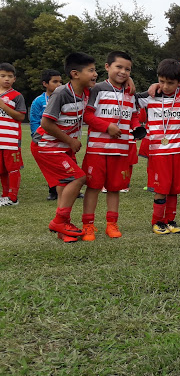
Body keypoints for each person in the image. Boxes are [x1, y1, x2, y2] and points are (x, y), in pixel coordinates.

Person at [31, 53, 98, 242]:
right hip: (46, 145)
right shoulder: (61, 92)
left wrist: (131, 81)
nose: (95, 74)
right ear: (75, 74)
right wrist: (70, 140)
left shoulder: (87, 91)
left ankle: (63, 229)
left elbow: (114, 84)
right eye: (91, 70)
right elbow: (45, 123)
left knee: (64, 186)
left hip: (62, 147)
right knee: (79, 178)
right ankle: (59, 221)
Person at [137, 59, 180, 235]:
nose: (165, 86)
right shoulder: (149, 97)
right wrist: (152, 85)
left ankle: (170, 220)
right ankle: (157, 221)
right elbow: (128, 96)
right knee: (161, 189)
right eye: (161, 81)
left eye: (170, 83)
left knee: (175, 189)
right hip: (159, 153)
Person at [80, 51, 137, 240]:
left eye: (127, 69)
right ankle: (88, 225)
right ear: (107, 67)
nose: (123, 72)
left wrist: (136, 128)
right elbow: (87, 115)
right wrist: (107, 127)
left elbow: (134, 116)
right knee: (93, 187)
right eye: (118, 67)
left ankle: (111, 224)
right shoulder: (97, 89)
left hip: (120, 151)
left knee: (114, 188)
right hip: (97, 149)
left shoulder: (130, 92)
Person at [29, 69, 62, 201]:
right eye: (55, 82)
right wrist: (36, 135)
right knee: (51, 165)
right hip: (45, 138)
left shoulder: (64, 97)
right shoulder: (38, 101)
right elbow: (35, 119)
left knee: (68, 163)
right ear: (45, 84)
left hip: (61, 136)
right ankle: (53, 191)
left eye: (60, 81)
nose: (59, 84)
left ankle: (73, 190)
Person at [0, 63, 26, 207]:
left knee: (12, 168)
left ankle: (13, 197)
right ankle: (4, 195)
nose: (6, 79)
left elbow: (21, 117)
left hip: (11, 139)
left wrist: (3, 105)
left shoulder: (17, 96)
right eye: (3, 76)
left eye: (10, 76)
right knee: (1, 169)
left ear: (14, 79)